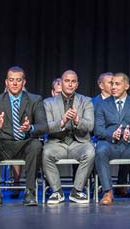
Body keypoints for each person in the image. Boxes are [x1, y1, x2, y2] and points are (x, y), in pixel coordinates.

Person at [0, 66, 46, 207]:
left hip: (24, 143)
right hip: (3, 144)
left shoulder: (35, 100)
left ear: (24, 82)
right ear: (6, 82)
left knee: (36, 145)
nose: (15, 83)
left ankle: (29, 192)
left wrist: (30, 128)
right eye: (11, 80)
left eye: (18, 80)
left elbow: (43, 126)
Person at [93, 72, 130, 205]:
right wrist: (111, 134)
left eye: (117, 84)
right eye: (112, 83)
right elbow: (98, 130)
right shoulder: (102, 104)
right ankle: (108, 192)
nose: (113, 87)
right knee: (100, 150)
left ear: (126, 86)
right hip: (110, 144)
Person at [42, 70, 95, 204]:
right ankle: (56, 191)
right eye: (67, 81)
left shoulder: (86, 101)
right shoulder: (48, 102)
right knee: (46, 153)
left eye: (73, 82)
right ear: (61, 82)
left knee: (90, 151)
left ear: (77, 84)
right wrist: (62, 121)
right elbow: (46, 127)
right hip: (57, 142)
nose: (70, 84)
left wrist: (77, 120)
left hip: (79, 143)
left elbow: (90, 126)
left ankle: (77, 191)